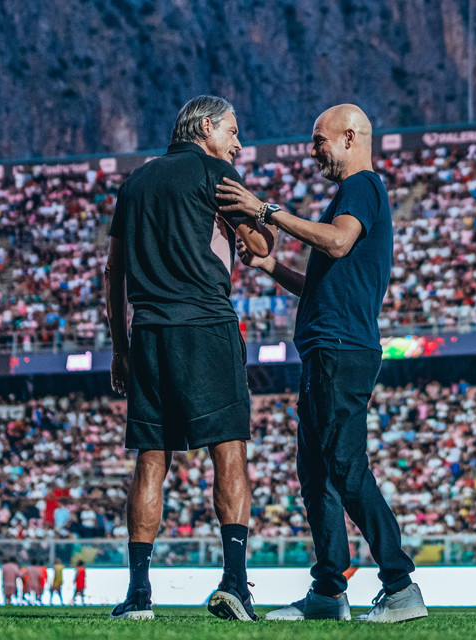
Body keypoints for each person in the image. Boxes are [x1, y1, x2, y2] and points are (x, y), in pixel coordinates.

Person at [217, 104, 427, 623]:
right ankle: (328, 592)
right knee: (316, 475)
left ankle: (400, 587)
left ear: (350, 137)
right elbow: (318, 285)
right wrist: (270, 265)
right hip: (326, 347)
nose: (312, 152)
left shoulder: (361, 187)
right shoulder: (352, 194)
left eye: (319, 141)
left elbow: (337, 241)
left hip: (341, 348)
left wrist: (266, 211)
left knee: (345, 467)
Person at [105, 94, 274, 622]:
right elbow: (261, 246)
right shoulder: (216, 173)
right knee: (228, 452)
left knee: (151, 458)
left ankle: (138, 594)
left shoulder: (135, 182)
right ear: (205, 128)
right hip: (206, 327)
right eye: (232, 131)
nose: (238, 143)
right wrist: (257, 221)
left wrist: (119, 348)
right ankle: (234, 584)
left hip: (149, 333)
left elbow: (113, 272)